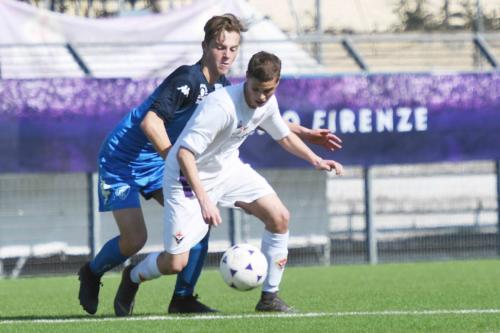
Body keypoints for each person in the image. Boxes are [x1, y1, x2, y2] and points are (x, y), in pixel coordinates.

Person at [78, 14, 342, 316]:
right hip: (122, 161)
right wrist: (177, 167)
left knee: (198, 229)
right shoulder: (187, 80)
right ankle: (92, 272)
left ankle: (183, 297)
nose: (226, 54)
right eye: (220, 47)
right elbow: (151, 124)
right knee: (134, 239)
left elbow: (262, 117)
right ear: (205, 46)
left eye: (232, 48)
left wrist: (306, 133)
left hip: (165, 160)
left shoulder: (225, 88)